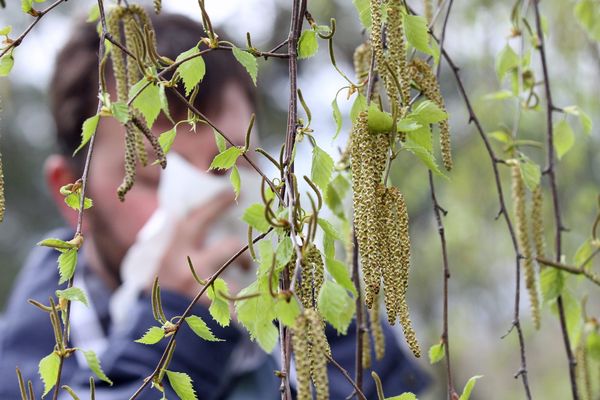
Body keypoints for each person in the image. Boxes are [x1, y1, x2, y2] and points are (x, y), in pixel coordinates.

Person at [0, 10, 430, 400]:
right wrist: (176, 338)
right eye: (151, 179)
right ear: (71, 194)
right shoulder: (26, 368)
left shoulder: (333, 326)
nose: (202, 207)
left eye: (232, 167)